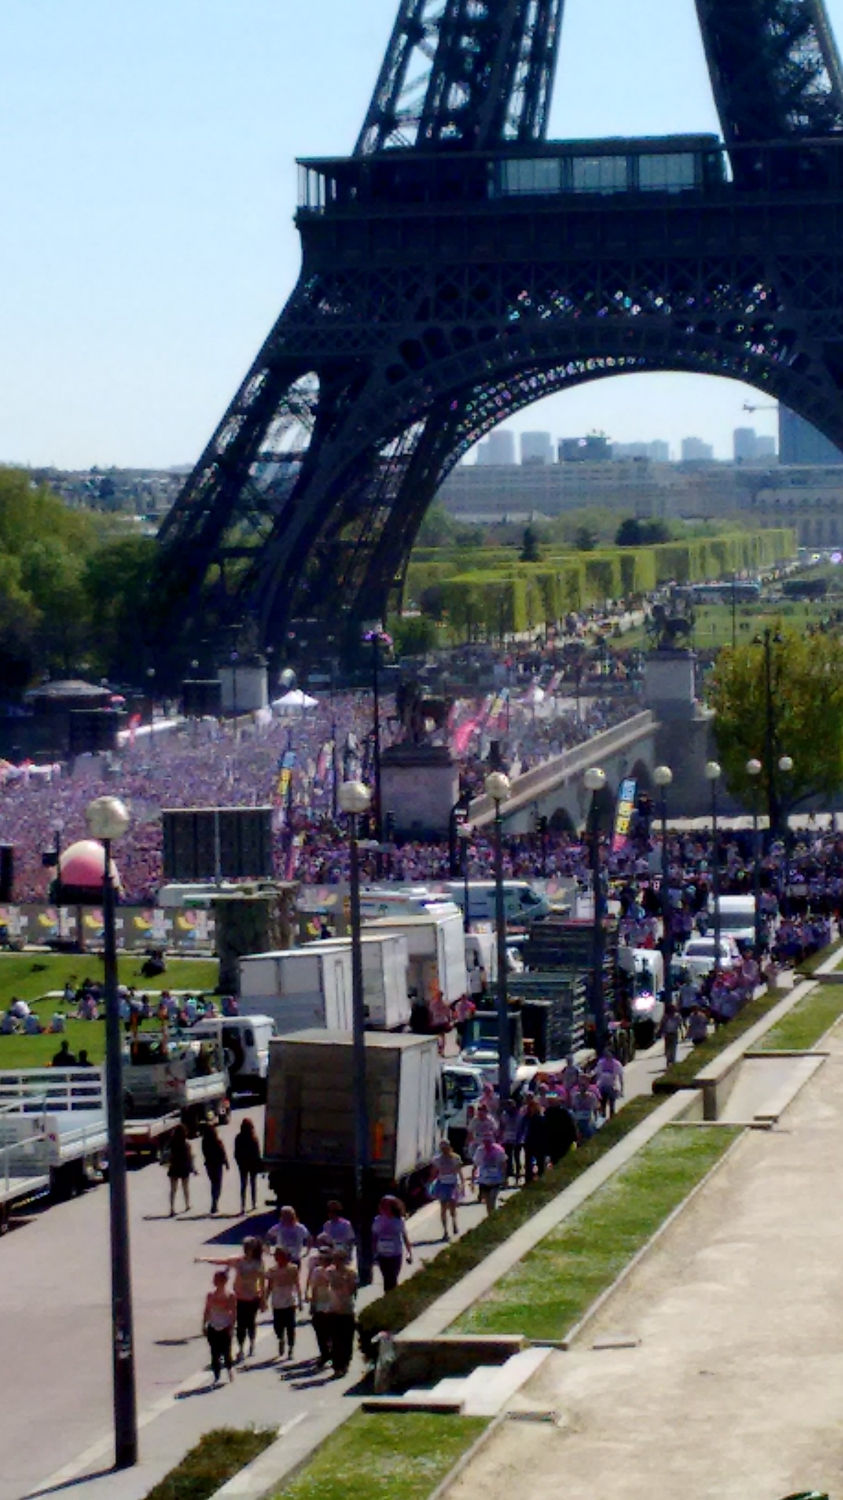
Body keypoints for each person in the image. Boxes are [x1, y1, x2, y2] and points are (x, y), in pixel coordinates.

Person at [195, 1237, 266, 1362]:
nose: (247, 1251)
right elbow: (222, 1261)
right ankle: (241, 1349)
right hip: (239, 1296)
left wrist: (263, 1300)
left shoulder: (258, 1263)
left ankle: (252, 1342)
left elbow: (262, 1282)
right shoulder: (239, 1261)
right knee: (241, 1324)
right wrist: (204, 1259)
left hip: (253, 1296)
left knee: (250, 1322)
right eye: (246, 1248)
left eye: (249, 1248)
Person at [371, 1196, 413, 1292]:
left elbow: (404, 1237)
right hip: (382, 1254)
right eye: (382, 1205)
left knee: (393, 1277)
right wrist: (374, 1254)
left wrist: (409, 1253)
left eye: (386, 1205)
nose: (383, 1207)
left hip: (395, 1254)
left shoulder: (399, 1220)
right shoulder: (377, 1220)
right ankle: (388, 1299)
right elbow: (374, 1238)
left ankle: (393, 1299)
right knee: (386, 1278)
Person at [266, 1248, 301, 1360]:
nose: (277, 1258)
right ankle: (280, 1338)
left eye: (280, 1256)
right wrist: (264, 1299)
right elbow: (269, 1286)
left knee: (290, 1326)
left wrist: (300, 1300)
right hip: (277, 1300)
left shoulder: (293, 1269)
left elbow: (297, 1284)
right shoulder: (272, 1270)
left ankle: (291, 1348)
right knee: (277, 1325)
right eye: (276, 1256)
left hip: (289, 1299)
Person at [202, 1270, 236, 1385]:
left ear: (224, 1281)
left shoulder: (230, 1295)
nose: (215, 1282)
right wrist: (204, 1324)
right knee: (214, 1352)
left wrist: (232, 1326)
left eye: (218, 1280)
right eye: (215, 1279)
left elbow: (233, 1312)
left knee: (226, 1351)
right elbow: (207, 1310)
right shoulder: (210, 1295)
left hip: (225, 1326)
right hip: (213, 1326)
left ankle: (229, 1369)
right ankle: (216, 1375)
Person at [327, 1250, 357, 1377]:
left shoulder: (351, 1273)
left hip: (347, 1309)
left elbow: (352, 1291)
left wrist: (345, 1281)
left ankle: (345, 1363)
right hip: (334, 1309)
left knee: (346, 1339)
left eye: (339, 1260)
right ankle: (337, 1365)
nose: (336, 1263)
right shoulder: (330, 1272)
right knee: (335, 1339)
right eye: (335, 1260)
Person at [428, 1139, 464, 1239]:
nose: (444, 1150)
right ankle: (445, 1231)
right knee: (443, 1207)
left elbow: (459, 1172)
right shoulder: (437, 1159)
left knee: (452, 1207)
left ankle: (454, 1221)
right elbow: (434, 1172)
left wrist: (462, 1184)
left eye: (446, 1148)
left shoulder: (456, 1158)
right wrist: (431, 1184)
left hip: (452, 1184)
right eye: (442, 1148)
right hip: (442, 1184)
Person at [307, 1243, 334, 1368]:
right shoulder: (317, 1271)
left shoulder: (335, 1271)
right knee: (319, 1329)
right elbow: (314, 1288)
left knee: (330, 1330)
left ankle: (331, 1351)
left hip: (332, 1303)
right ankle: (324, 1353)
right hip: (320, 1302)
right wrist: (312, 1304)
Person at [266, 1206, 312, 1273]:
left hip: (295, 1257)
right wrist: (268, 1248)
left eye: (289, 1216)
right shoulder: (279, 1227)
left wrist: (307, 1251)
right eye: (285, 1216)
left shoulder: (299, 1227)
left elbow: (309, 1237)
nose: (287, 1218)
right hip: (282, 1257)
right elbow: (268, 1235)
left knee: (294, 1276)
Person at [233, 1118, 261, 1215]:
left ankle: (243, 1206)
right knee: (253, 1183)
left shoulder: (238, 1138)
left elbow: (236, 1153)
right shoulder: (254, 1138)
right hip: (252, 1163)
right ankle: (253, 1203)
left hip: (243, 1164)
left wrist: (239, 1162)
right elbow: (257, 1153)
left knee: (243, 1185)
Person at [473, 1135, 507, 1215]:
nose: (487, 1145)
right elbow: (475, 1165)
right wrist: (473, 1179)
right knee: (487, 1202)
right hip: (484, 1180)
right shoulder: (480, 1150)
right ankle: (490, 1217)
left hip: (496, 1179)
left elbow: (503, 1164)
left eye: (488, 1142)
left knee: (492, 1199)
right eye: (485, 1142)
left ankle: (493, 1215)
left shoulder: (498, 1150)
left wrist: (505, 1177)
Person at [201, 1124, 229, 1215]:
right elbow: (222, 1152)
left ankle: (214, 1202)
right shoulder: (217, 1141)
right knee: (218, 1184)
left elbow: (204, 1153)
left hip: (209, 1165)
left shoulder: (204, 1142)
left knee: (213, 1183)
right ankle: (215, 1202)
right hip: (217, 1165)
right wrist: (226, 1163)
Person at [167, 1122, 194, 1215]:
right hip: (184, 1168)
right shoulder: (186, 1145)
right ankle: (187, 1205)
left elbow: (168, 1155)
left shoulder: (172, 1144)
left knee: (173, 1190)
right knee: (185, 1188)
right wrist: (193, 1169)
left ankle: (172, 1208)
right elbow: (189, 1158)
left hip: (174, 1167)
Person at [594, 1048, 624, 1119]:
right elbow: (597, 1074)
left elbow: (621, 1077)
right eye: (606, 1054)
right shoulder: (601, 1063)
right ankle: (603, 1119)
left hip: (612, 1087)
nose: (607, 1055)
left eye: (609, 1054)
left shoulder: (617, 1064)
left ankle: (612, 1119)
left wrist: (622, 1089)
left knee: (612, 1105)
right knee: (602, 1105)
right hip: (602, 1087)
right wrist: (596, 1087)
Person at [659, 1002, 683, 1068]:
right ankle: (668, 1061)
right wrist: (660, 1032)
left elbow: (680, 1025)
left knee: (673, 1048)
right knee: (667, 1049)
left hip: (674, 1033)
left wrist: (682, 1033)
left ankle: (672, 1061)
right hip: (667, 1034)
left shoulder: (677, 1016)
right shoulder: (665, 1017)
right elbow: (662, 1025)